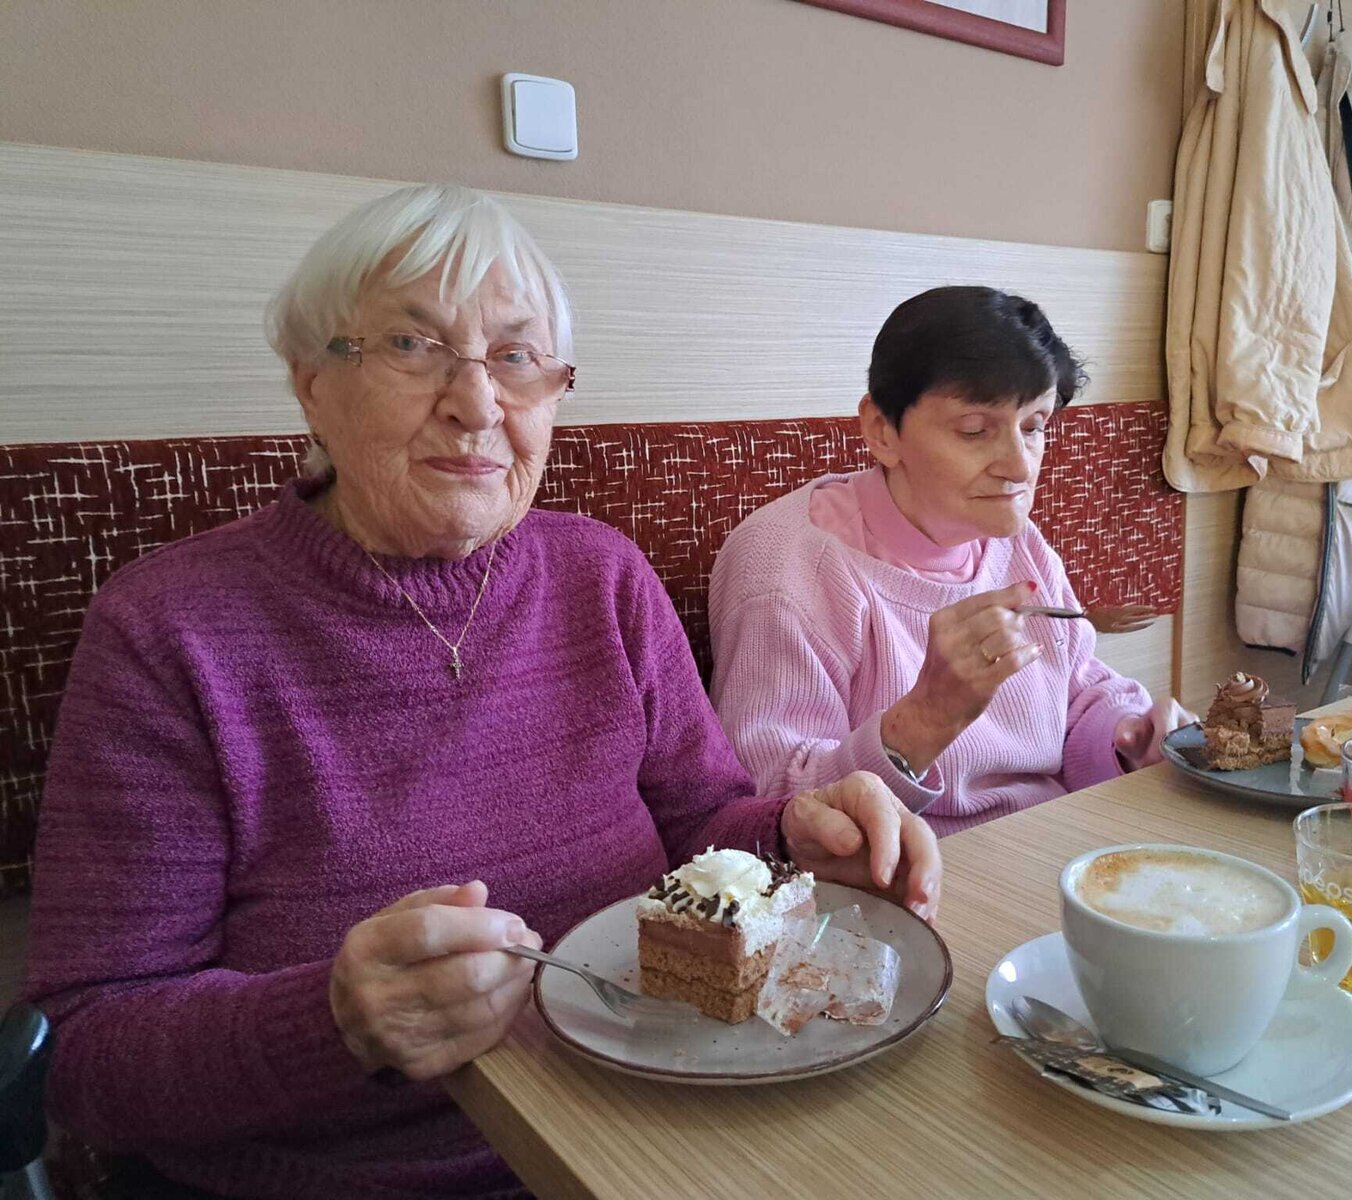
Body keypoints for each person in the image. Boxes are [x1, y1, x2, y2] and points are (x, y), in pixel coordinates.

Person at [23, 185, 939, 1199]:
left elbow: (700, 823)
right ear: (312, 385)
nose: (477, 404)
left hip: (654, 1122)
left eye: (516, 357)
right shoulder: (169, 631)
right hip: (342, 1177)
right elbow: (86, 1053)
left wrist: (790, 840)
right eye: (412, 347)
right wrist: (334, 1023)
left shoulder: (602, 575)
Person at [708, 287, 1194, 836]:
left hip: (1047, 837)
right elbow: (776, 809)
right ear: (882, 431)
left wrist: (1127, 736)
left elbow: (1075, 694)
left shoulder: (1015, 540)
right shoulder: (787, 570)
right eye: (974, 431)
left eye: (1033, 426)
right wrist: (926, 719)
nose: (1019, 468)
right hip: (912, 867)